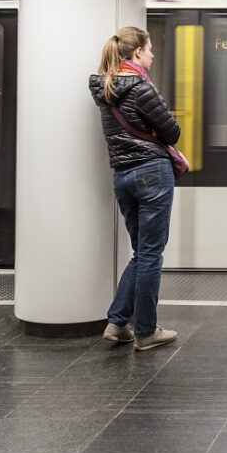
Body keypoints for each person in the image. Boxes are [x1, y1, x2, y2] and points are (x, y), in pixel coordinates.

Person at [88, 27, 181, 352]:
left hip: (122, 177)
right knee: (151, 253)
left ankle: (117, 323)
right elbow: (172, 133)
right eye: (150, 49)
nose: (153, 55)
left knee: (142, 251)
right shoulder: (141, 87)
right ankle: (145, 331)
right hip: (152, 173)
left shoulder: (105, 88)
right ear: (137, 53)